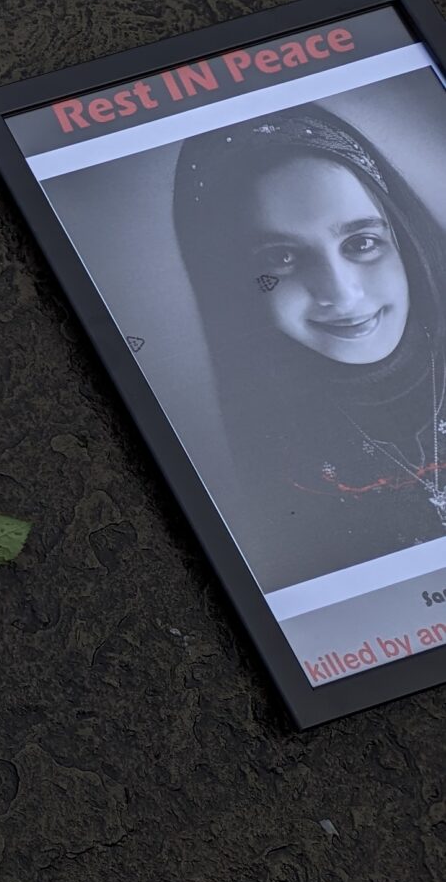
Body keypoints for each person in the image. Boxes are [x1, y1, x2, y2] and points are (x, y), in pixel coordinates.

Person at [171, 105, 446, 591]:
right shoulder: (260, 456)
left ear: (403, 237)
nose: (341, 295)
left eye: (362, 243)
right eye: (282, 257)